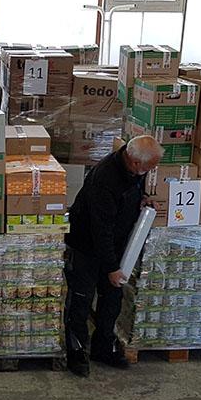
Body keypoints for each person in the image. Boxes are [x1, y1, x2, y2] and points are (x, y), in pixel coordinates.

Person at [63, 135, 162, 377]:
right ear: (136, 162)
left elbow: (129, 195)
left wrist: (142, 199)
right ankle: (76, 352)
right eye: (150, 167)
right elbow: (101, 229)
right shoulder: (105, 179)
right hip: (86, 245)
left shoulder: (133, 168)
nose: (152, 171)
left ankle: (103, 347)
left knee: (112, 298)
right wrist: (111, 267)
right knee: (81, 299)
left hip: (114, 244)